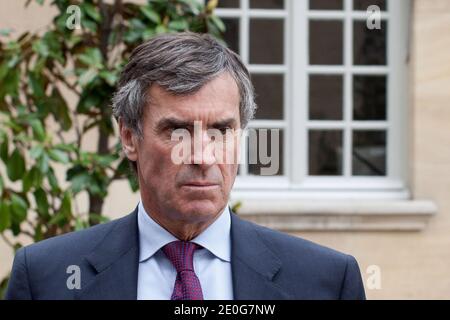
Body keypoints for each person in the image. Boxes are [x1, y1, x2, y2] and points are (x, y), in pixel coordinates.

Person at [5, 32, 365, 300]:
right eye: (177, 131)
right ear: (129, 137)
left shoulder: (326, 281)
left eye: (221, 131)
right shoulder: (46, 278)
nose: (203, 156)